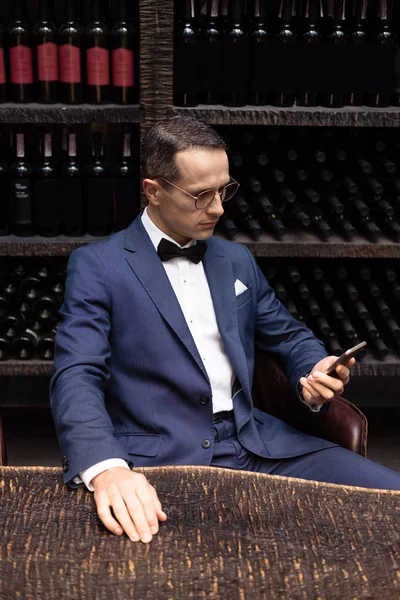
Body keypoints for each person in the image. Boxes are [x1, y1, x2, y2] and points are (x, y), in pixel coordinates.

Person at [50, 116, 400, 545]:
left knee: (391, 501)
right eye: (201, 196)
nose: (218, 208)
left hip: (258, 446)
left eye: (224, 190)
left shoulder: (235, 260)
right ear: (153, 191)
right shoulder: (97, 266)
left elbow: (288, 336)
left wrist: (314, 367)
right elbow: (76, 375)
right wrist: (107, 468)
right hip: (160, 459)